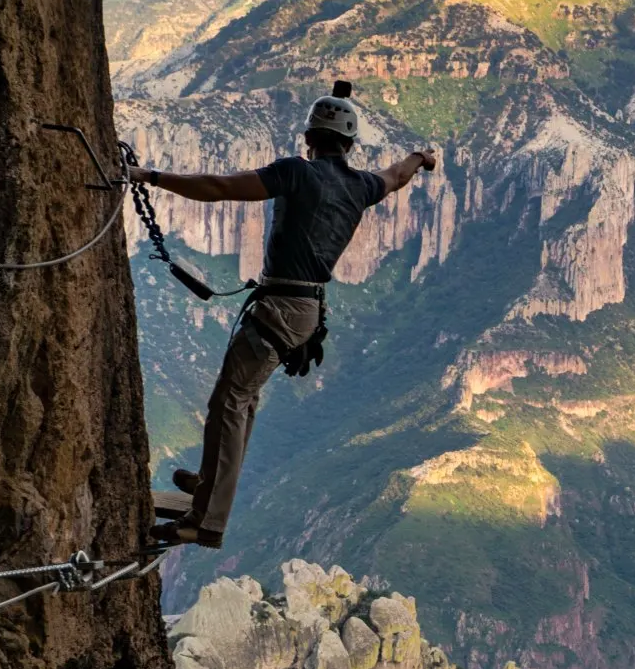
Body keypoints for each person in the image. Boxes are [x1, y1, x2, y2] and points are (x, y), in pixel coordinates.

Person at [136, 81, 437, 548]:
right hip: (305, 312)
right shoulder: (362, 185)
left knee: (230, 402)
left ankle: (207, 518)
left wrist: (151, 176)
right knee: (241, 399)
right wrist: (421, 156)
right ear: (350, 145)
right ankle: (210, 483)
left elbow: (219, 188)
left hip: (280, 308)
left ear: (310, 139)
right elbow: (397, 175)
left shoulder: (296, 173)